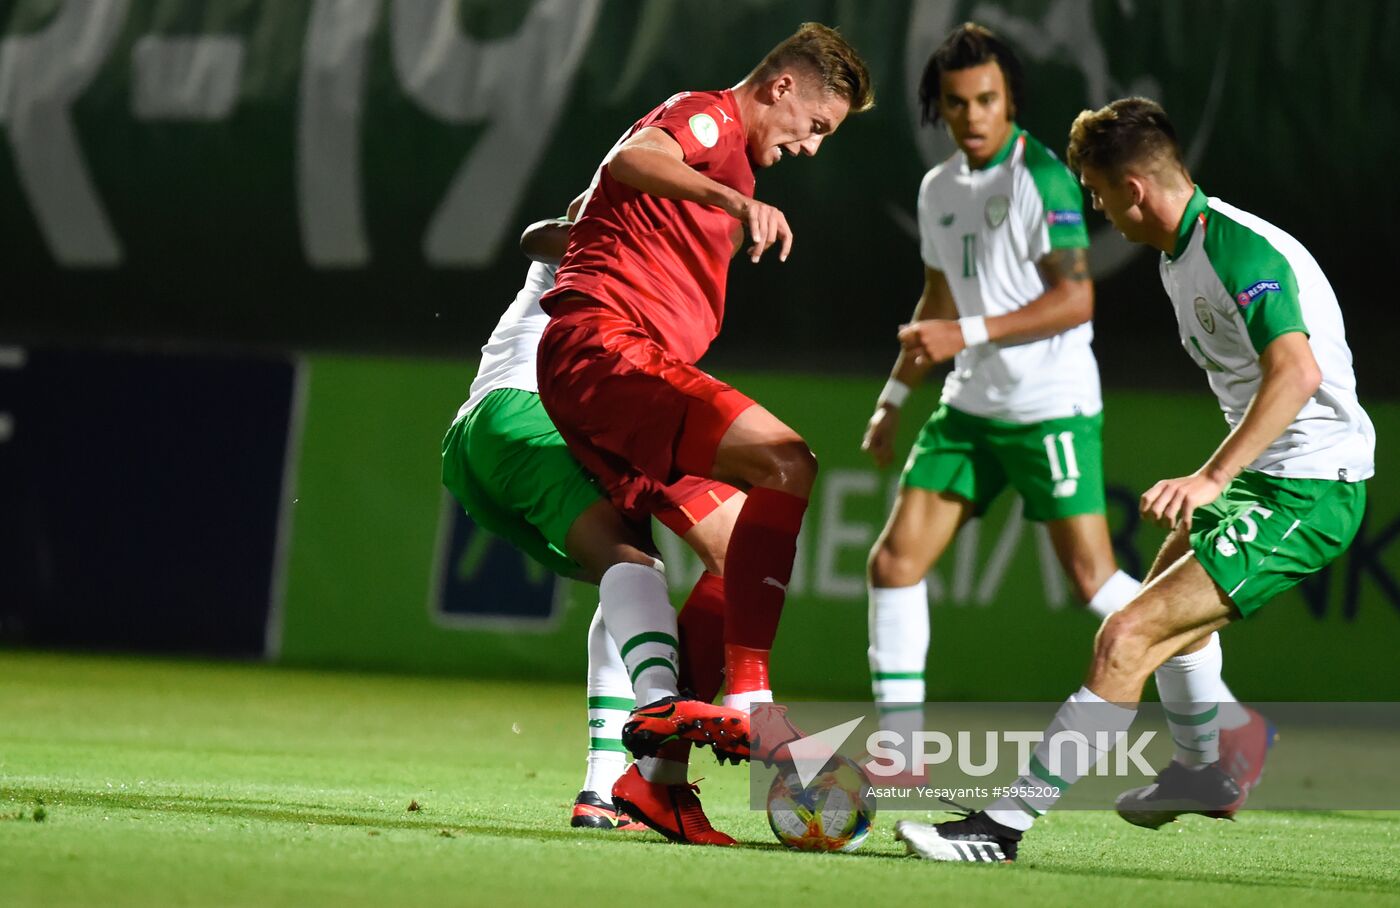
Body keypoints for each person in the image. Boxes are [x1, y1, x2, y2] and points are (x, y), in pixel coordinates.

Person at [895, 96, 1374, 862]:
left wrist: (1212, 478)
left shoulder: (1237, 251)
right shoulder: (1179, 256)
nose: (1096, 212)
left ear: (1134, 190)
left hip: (1310, 487)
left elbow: (1297, 370)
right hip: (1274, 479)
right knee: (1167, 632)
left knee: (1125, 636)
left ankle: (1000, 829)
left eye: (1096, 194)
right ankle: (1209, 766)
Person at [535, 21, 874, 829]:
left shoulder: (722, 157)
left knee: (738, 549)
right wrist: (731, 197)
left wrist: (582, 230)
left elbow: (599, 200)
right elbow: (634, 160)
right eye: (817, 127)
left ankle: (656, 776)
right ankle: (751, 693)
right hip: (608, 351)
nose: (813, 149)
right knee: (788, 461)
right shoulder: (710, 118)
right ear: (783, 87)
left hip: (622, 366)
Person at [863, 23, 1182, 772]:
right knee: (893, 564)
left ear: (1009, 99)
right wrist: (892, 397)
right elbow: (936, 294)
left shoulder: (1040, 177)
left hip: (1050, 408)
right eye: (956, 102)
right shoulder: (938, 188)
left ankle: (1211, 694)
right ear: (938, 107)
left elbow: (1075, 300)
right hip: (970, 409)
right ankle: (899, 759)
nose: (973, 115)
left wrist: (964, 331)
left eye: (987, 99)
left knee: (1093, 583)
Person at [442, 204, 746, 843]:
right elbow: (538, 236)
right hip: (529, 411)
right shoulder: (623, 215)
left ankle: (603, 788)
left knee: (633, 573)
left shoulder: (674, 284)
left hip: (506, 433)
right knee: (633, 567)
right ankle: (659, 716)